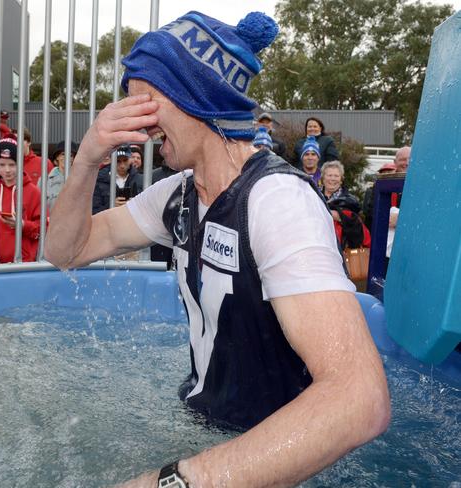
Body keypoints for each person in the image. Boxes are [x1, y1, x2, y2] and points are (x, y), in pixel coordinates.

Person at [45, 10, 390, 488]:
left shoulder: (278, 202)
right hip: (205, 433)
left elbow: (358, 398)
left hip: (277, 456)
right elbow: (65, 251)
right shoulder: (178, 194)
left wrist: (173, 483)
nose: (138, 128)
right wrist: (85, 160)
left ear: (194, 96)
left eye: (142, 104)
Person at [0, 138, 42, 264]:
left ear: (20, 164)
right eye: (1, 164)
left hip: (22, 263)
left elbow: (43, 228)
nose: (7, 170)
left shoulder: (34, 192)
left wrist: (22, 225)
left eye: (12, 164)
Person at [321, 161, 370, 250]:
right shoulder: (314, 197)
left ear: (341, 180)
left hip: (342, 249)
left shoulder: (350, 201)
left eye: (336, 176)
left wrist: (340, 215)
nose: (332, 179)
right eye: (329, 175)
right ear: (323, 178)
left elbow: (355, 228)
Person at [92, 145, 142, 214]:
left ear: (130, 159)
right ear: (111, 160)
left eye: (125, 160)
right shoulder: (100, 180)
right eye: (118, 161)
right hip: (110, 222)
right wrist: (110, 206)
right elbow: (93, 211)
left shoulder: (139, 179)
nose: (122, 165)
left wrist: (135, 204)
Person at [38, 140, 79, 211]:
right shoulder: (44, 180)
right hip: (50, 221)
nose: (67, 157)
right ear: (57, 157)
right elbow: (38, 205)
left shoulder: (80, 180)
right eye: (63, 154)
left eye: (71, 155)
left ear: (74, 159)